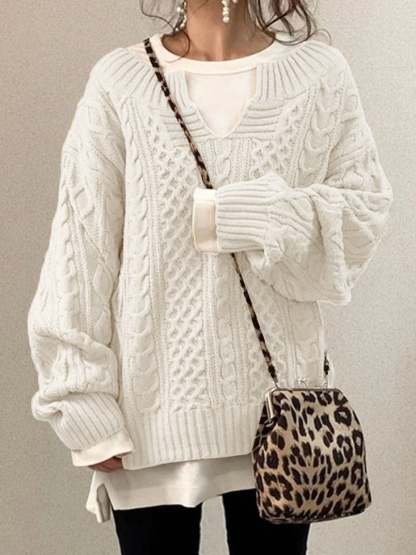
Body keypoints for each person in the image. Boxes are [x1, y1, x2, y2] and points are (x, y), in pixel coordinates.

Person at [26, 1, 393, 554]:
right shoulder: (121, 82)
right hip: (150, 420)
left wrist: (251, 215)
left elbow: (364, 215)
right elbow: (79, 250)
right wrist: (80, 399)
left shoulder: (319, 75)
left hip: (282, 418)